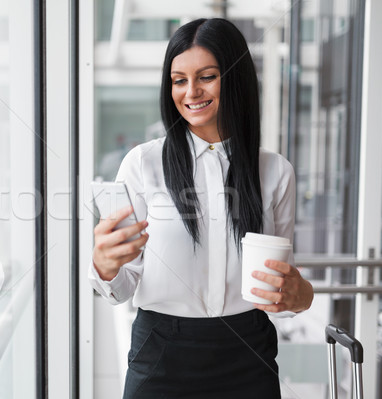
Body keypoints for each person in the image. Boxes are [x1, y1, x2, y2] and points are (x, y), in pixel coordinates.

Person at [89, 18, 314, 398]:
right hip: (161, 354)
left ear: (235, 77)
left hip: (248, 355)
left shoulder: (275, 171)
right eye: (179, 80)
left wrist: (301, 295)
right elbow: (122, 286)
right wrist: (105, 267)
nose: (191, 91)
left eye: (206, 76)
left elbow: (278, 290)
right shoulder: (142, 164)